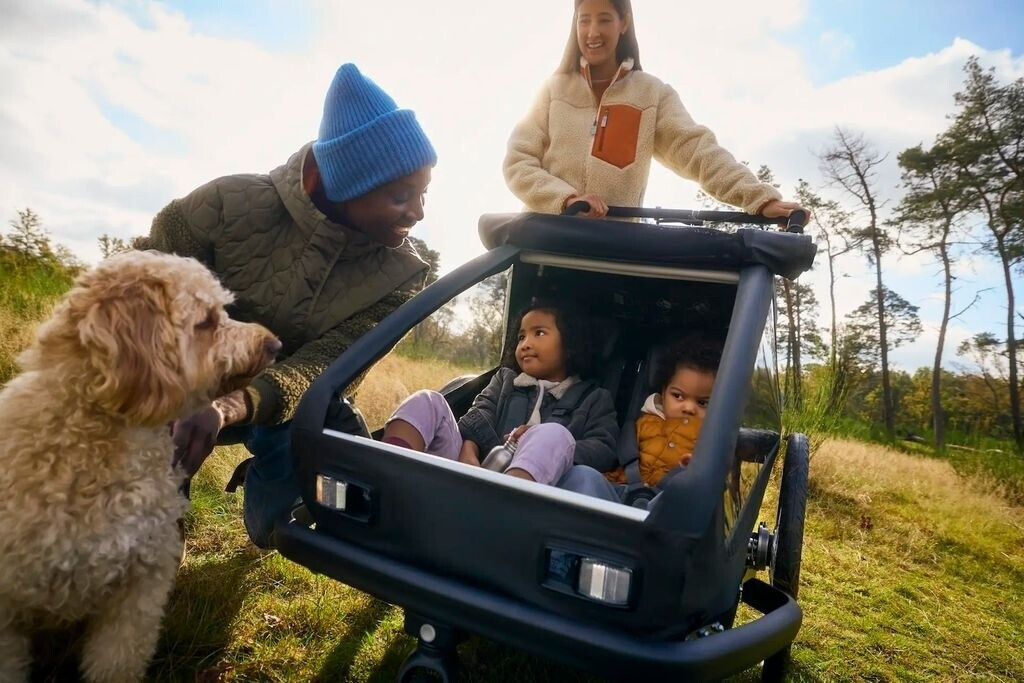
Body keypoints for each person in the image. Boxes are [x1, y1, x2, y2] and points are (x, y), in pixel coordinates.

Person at [135, 63, 437, 548]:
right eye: (401, 195)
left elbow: (329, 368)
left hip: (289, 404)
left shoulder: (402, 279)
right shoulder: (221, 207)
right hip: (180, 381)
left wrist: (231, 407)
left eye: (424, 192)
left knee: (277, 530)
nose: (419, 212)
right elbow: (150, 293)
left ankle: (269, 489)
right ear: (350, 184)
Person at [503, 0, 804, 221]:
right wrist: (566, 199)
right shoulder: (552, 91)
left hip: (612, 250)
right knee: (538, 313)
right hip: (544, 241)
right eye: (584, 20)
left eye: (604, 19)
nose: (592, 32)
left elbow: (698, 152)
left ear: (624, 23)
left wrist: (759, 198)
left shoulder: (651, 95)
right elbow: (519, 163)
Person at [381, 301, 619, 485]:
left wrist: (540, 442)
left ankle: (499, 505)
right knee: (427, 400)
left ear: (570, 344)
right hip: (472, 472)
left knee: (553, 434)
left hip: (538, 494)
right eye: (521, 336)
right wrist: (468, 453)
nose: (525, 343)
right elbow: (477, 417)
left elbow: (604, 449)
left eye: (539, 333)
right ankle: (388, 478)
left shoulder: (594, 397)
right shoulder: (506, 380)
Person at [557, 332, 721, 504]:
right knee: (583, 475)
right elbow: (618, 463)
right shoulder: (644, 423)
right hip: (623, 492)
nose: (688, 408)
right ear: (663, 393)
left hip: (670, 503)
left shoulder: (712, 443)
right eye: (678, 396)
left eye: (703, 403)